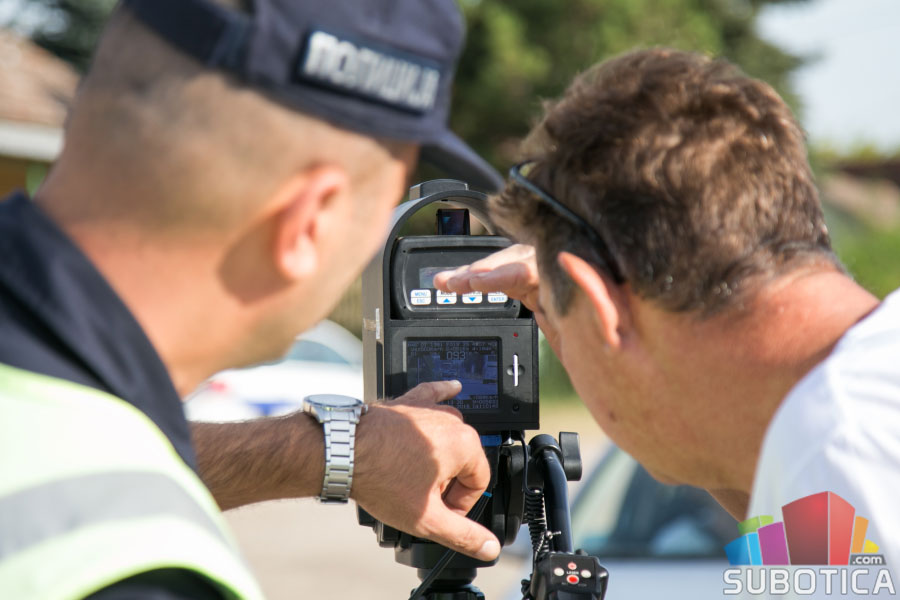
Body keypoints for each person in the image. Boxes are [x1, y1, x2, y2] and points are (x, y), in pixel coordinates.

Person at [0, 0, 505, 598]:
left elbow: (78, 461)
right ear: (308, 224)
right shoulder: (139, 571)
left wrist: (331, 452)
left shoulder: (63, 443)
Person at [436, 48, 899, 561]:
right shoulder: (845, 426)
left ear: (601, 308)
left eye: (559, 322)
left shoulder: (840, 448)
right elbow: (768, 490)